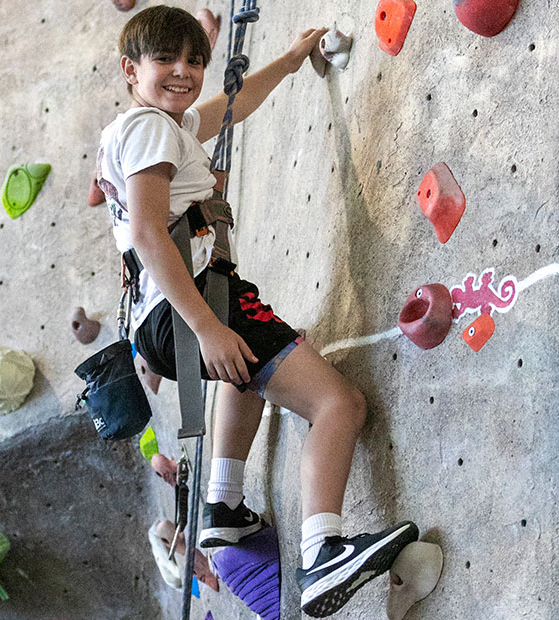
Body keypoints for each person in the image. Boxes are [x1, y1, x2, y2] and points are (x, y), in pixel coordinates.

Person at [95, 6, 418, 616]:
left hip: (163, 316)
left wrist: (292, 60)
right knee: (338, 404)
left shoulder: (152, 127)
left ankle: (223, 505)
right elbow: (147, 231)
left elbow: (231, 106)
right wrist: (206, 327)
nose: (183, 71)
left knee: (244, 370)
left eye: (194, 59)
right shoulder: (151, 129)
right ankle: (323, 551)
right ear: (130, 69)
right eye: (165, 59)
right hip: (195, 303)